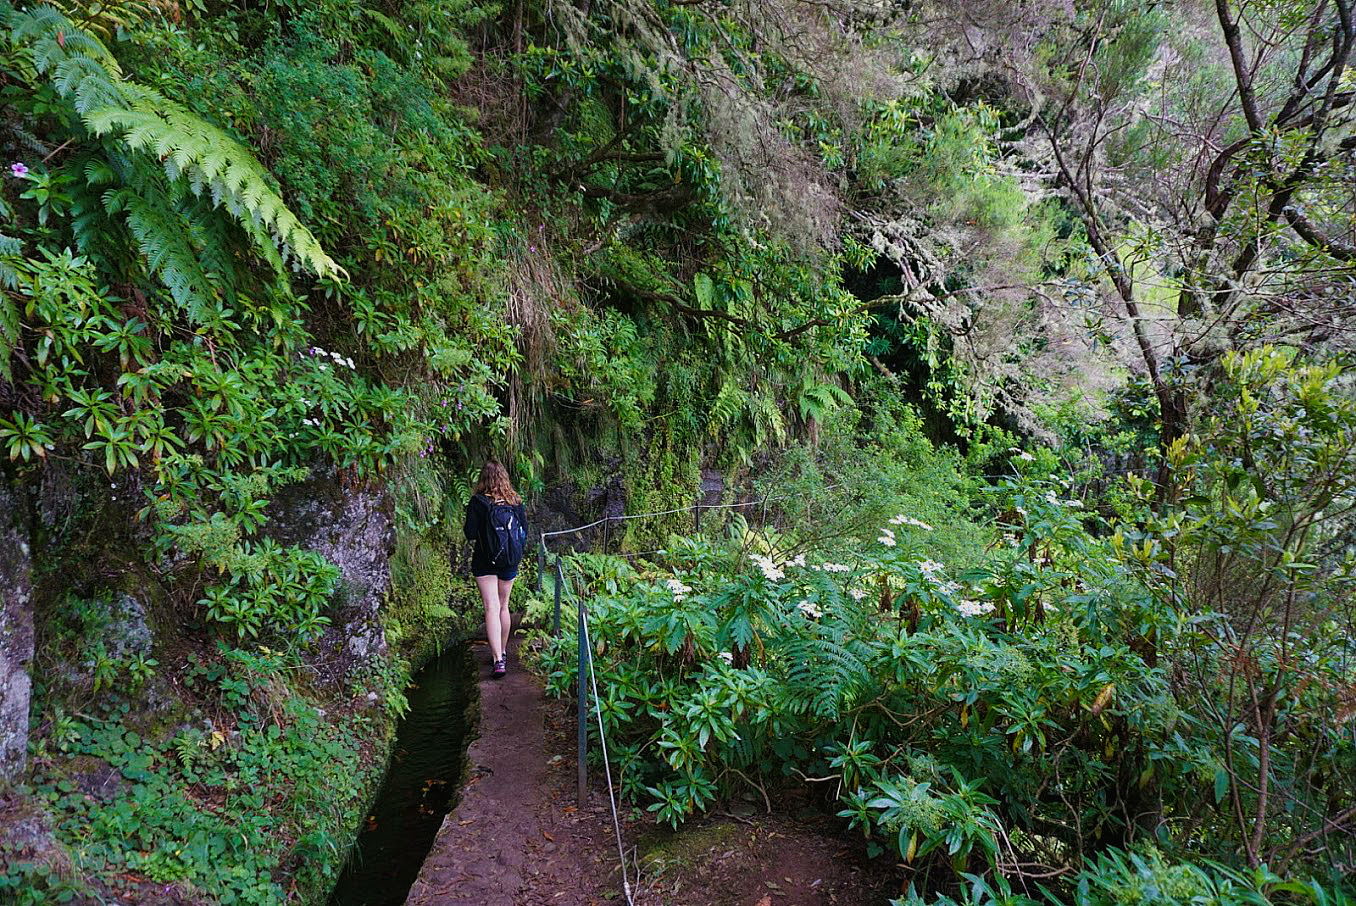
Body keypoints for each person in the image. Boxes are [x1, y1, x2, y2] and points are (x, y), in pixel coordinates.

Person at [463, 460, 527, 679]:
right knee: (504, 606)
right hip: (509, 561)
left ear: (483, 479)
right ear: (504, 477)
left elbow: (470, 533)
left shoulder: (478, 502)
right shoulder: (515, 501)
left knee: (491, 606)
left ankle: (497, 660)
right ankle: (503, 652)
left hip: (484, 561)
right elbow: (524, 533)